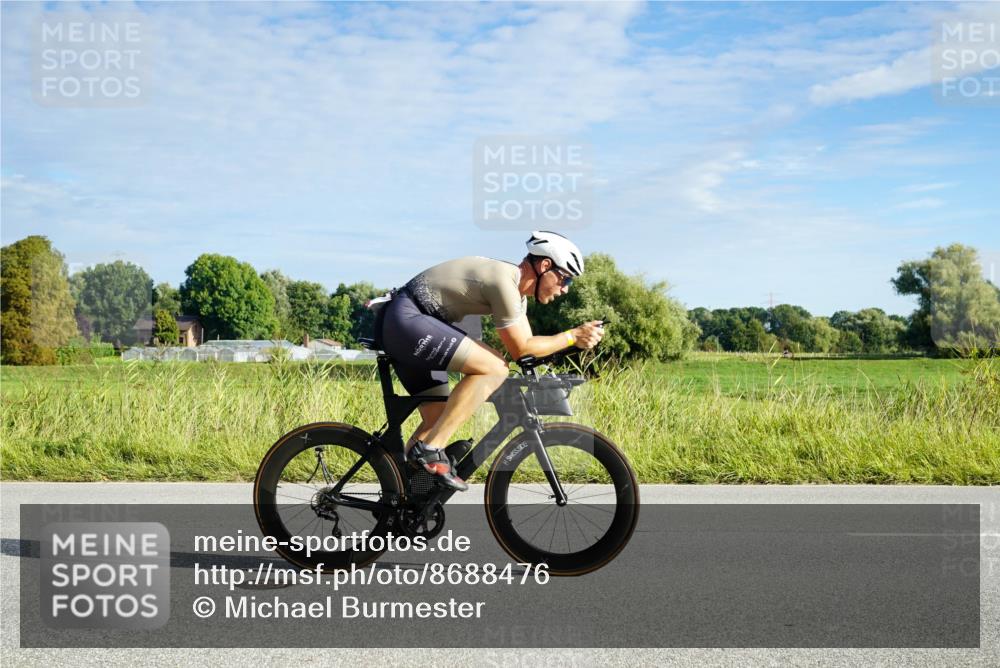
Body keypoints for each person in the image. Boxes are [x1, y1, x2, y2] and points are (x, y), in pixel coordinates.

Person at [370, 231, 604, 491]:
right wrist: (572, 336)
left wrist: (568, 346)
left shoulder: (516, 295)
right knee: (494, 367)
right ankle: (430, 450)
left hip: (412, 324)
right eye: (565, 278)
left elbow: (528, 351)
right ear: (544, 265)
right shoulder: (503, 282)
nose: (565, 289)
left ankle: (405, 496)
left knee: (437, 416)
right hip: (408, 321)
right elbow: (522, 349)